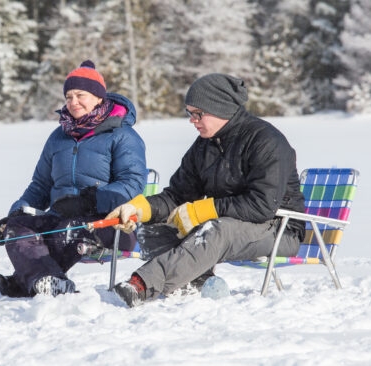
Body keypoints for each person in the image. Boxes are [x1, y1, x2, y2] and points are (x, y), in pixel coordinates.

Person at [105, 73, 306, 307]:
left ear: (220, 108)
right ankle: (197, 283)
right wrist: (141, 208)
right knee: (154, 228)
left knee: (214, 229)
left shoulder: (266, 141)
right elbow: (178, 195)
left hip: (279, 228)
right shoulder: (204, 145)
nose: (192, 120)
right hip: (229, 225)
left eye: (198, 113)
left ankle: (142, 284)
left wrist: (204, 210)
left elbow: (261, 206)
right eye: (189, 113)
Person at [0, 60, 146, 298]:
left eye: (80, 95)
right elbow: (41, 185)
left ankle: (29, 281)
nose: (73, 102)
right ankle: (44, 280)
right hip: (61, 217)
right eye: (68, 96)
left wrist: (91, 200)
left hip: (110, 223)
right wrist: (17, 212)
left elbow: (132, 184)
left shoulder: (123, 135)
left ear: (98, 97)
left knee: (69, 230)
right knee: (17, 229)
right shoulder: (58, 137)